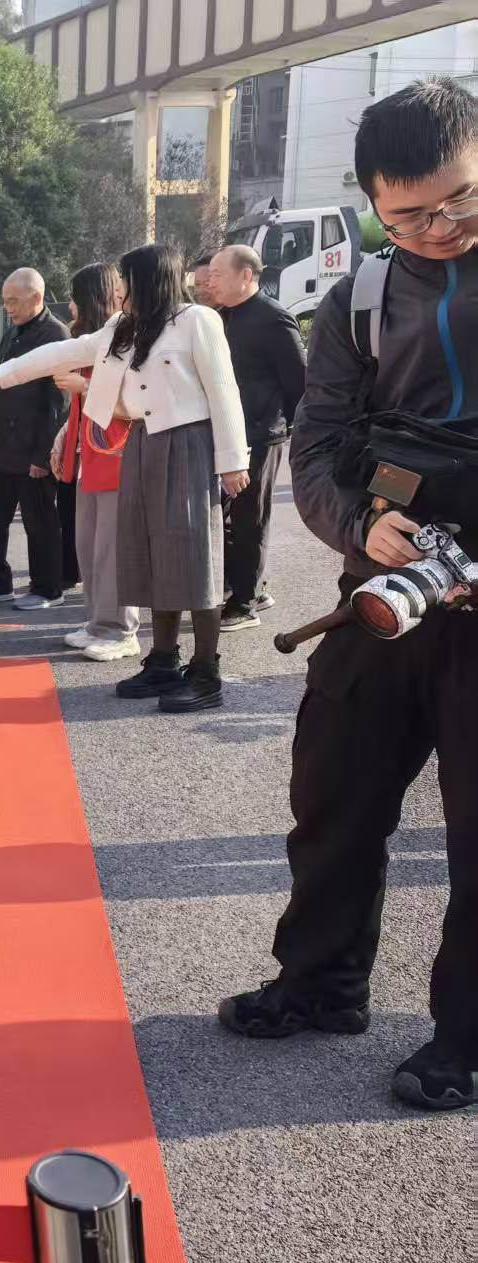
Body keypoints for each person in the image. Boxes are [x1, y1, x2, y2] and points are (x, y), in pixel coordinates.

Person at [221, 78, 478, 1111]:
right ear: (371, 201)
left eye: (460, 199)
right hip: (382, 584)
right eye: (409, 215)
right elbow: (318, 448)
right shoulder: (357, 301)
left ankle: (464, 1039)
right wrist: (358, 525)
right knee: (331, 791)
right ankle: (320, 982)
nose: (440, 228)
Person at [0, 244, 249, 712]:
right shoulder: (123, 327)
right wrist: (0, 375)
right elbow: (63, 351)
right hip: (140, 442)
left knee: (193, 556)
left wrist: (233, 461)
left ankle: (206, 672)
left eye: (126, 281)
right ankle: (163, 660)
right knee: (149, 554)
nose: (118, 290)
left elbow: (224, 391)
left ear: (151, 282)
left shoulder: (197, 321)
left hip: (189, 446)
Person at [205, 243, 307, 631]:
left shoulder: (273, 319)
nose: (210, 282)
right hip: (225, 433)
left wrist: (298, 435)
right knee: (222, 518)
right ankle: (245, 586)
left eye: (217, 274)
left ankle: (246, 603)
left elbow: (299, 382)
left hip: (260, 435)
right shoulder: (221, 317)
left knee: (251, 519)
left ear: (245, 275)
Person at [0, 267, 69, 610]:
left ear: (37, 297)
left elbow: (60, 403)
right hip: (4, 445)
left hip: (34, 448)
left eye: (14, 301)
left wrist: (43, 455)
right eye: (5, 301)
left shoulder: (57, 335)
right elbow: (6, 381)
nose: (8, 308)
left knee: (39, 522)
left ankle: (47, 588)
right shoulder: (12, 333)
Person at [51, 263, 140, 662]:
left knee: (112, 550)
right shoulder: (91, 340)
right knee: (88, 546)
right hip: (90, 454)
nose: (69, 306)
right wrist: (63, 440)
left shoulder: (126, 337)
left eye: (74, 297)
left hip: (116, 456)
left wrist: (83, 386)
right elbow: (79, 409)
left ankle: (121, 630)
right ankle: (98, 622)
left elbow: (131, 400)